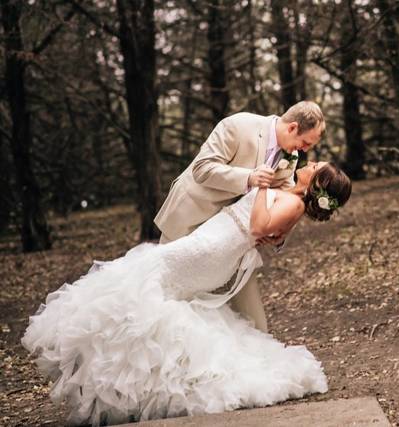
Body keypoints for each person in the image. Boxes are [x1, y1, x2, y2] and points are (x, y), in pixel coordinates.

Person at [22, 162, 352, 426]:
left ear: (317, 183)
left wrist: (262, 189)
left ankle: (127, 381)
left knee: (145, 285)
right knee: (147, 288)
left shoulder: (292, 202)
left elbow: (257, 228)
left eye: (318, 165)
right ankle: (130, 383)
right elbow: (273, 235)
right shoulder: (289, 190)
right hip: (212, 241)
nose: (312, 162)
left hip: (213, 249)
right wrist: (268, 205)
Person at [154, 101, 325, 334]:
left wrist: (278, 234)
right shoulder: (238, 125)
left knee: (251, 315)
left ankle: (259, 357)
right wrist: (249, 178)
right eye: (305, 142)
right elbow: (202, 169)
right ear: (293, 127)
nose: (304, 150)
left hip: (234, 239)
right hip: (192, 219)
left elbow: (287, 198)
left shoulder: (291, 155)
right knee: (165, 297)